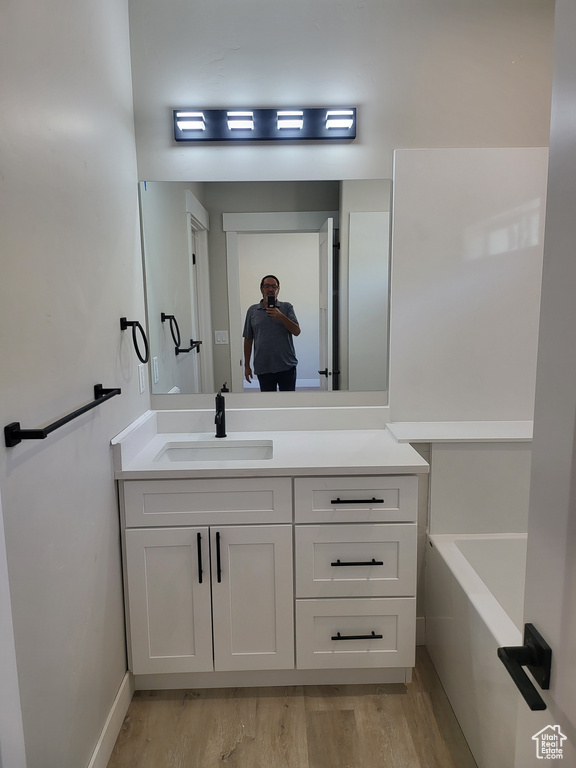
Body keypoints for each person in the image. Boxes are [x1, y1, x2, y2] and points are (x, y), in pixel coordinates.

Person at [243, 275, 301, 391]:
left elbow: (296, 331)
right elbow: (248, 339)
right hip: (263, 366)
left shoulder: (287, 307)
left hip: (286, 365)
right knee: (268, 403)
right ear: (261, 289)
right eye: (267, 286)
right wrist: (247, 365)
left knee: (288, 402)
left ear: (278, 290)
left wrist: (281, 316)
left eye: (274, 286)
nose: (270, 289)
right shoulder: (252, 310)